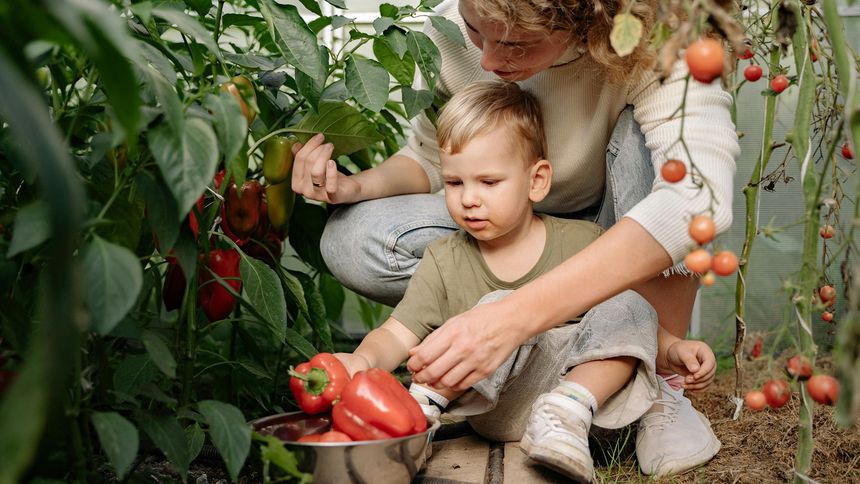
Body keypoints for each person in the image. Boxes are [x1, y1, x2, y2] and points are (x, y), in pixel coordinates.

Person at [291, 0, 738, 476]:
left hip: (614, 225)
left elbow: (698, 196)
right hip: (506, 224)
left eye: (515, 43)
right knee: (350, 236)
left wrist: (511, 317)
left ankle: (657, 393)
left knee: (667, 162)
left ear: (589, 18)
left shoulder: (662, 39)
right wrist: (355, 187)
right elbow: (428, 157)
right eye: (473, 31)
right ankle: (491, 373)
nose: (485, 60)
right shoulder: (456, 31)